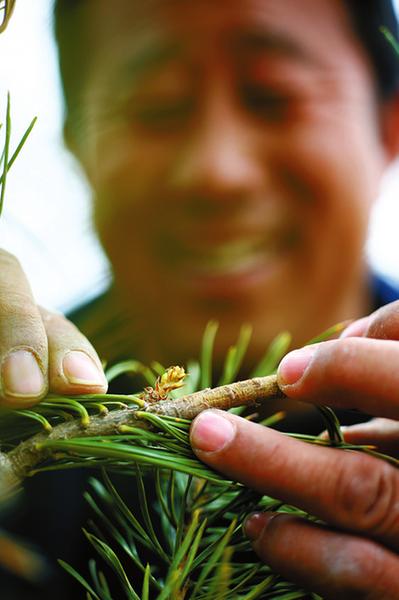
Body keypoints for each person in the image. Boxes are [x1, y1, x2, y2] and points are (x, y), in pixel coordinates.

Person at [1, 0, 399, 597]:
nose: (218, 172)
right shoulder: (24, 422)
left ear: (389, 125)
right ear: (75, 143)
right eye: (157, 105)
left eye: (274, 96)